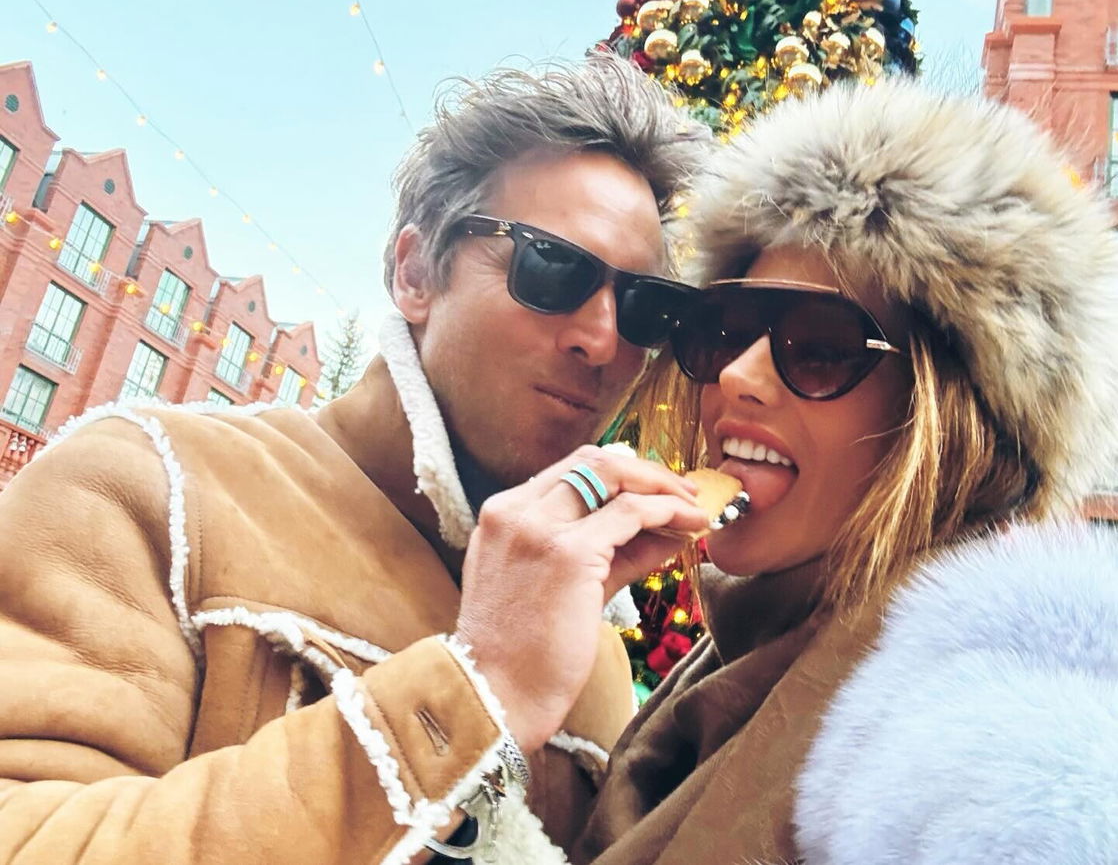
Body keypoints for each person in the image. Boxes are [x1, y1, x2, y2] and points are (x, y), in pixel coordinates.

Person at [0, 54, 713, 865]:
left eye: (644, 307)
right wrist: (475, 689)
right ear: (415, 272)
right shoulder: (149, 484)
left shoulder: (598, 653)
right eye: (553, 269)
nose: (604, 339)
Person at [453, 78, 1118, 864]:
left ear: (956, 432)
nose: (737, 374)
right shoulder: (726, 672)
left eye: (821, 346)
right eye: (724, 330)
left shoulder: (998, 751)